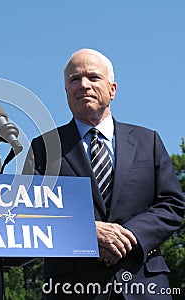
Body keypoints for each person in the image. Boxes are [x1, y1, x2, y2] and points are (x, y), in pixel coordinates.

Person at [22, 48, 185, 299]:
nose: (83, 85)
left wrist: (128, 237)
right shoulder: (43, 148)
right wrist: (86, 231)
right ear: (66, 92)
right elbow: (32, 213)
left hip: (143, 284)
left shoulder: (148, 141)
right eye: (74, 80)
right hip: (72, 288)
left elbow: (172, 205)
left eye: (93, 77)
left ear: (113, 89)